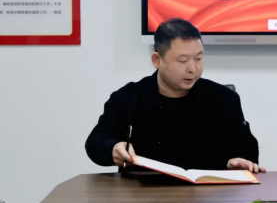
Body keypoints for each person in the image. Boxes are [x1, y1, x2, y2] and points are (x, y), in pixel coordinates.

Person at [85, 18, 264, 173]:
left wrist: (239, 161)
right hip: (143, 194)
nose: (192, 68)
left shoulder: (223, 99)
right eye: (183, 60)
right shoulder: (128, 98)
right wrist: (113, 148)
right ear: (157, 60)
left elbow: (247, 149)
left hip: (209, 195)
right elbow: (96, 142)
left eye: (198, 58)